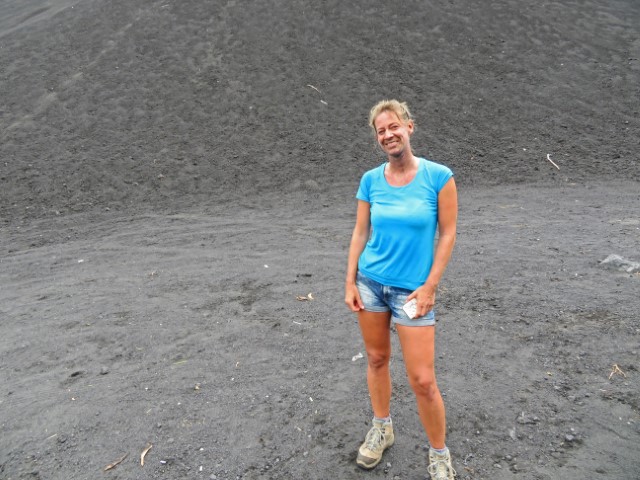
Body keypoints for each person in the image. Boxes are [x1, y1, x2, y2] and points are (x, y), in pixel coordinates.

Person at [344, 100, 458, 479]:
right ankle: (382, 427)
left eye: (394, 126)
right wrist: (350, 281)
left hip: (412, 293)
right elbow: (361, 232)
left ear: (410, 126)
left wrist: (430, 286)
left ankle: (439, 453)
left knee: (423, 380)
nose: (388, 135)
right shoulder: (370, 180)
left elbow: (448, 233)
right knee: (376, 359)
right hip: (371, 284)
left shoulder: (439, 177)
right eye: (381, 131)